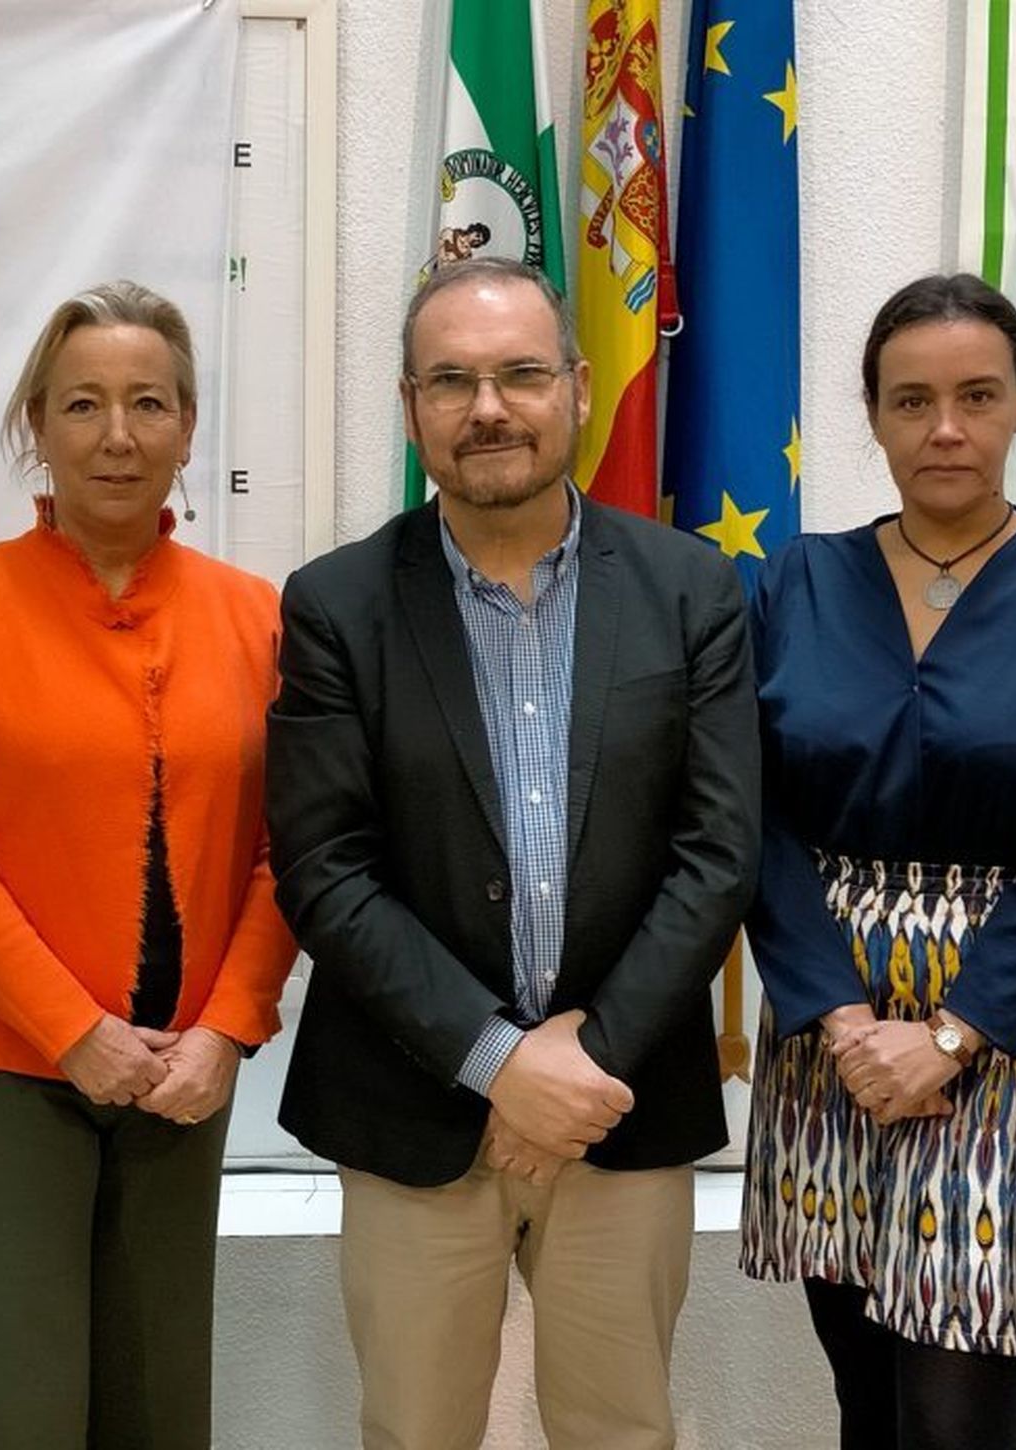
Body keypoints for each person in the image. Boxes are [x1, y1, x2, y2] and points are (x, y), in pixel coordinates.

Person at [266, 256, 760, 1450]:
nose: (488, 406)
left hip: (621, 1106)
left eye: (520, 374)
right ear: (411, 407)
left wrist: (576, 1063)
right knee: (414, 1432)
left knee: (622, 1432)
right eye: (452, 380)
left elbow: (719, 850)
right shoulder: (336, 605)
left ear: (580, 389)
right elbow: (327, 868)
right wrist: (499, 1064)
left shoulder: (692, 588)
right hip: (412, 1109)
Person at [739, 273, 1016, 1449]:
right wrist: (840, 1022)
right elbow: (755, 816)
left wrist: (949, 1035)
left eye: (977, 395)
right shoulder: (792, 580)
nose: (945, 427)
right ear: (870, 415)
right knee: (864, 1399)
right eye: (911, 398)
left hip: (1008, 1020)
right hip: (832, 1016)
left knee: (956, 1416)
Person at [0, 280, 297, 1450]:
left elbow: (289, 852)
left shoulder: (253, 616)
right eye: (83, 404)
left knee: (156, 1402)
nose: (118, 435)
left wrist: (225, 1028)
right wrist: (73, 1030)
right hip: (1, 1073)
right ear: (39, 425)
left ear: (186, 427)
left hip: (185, 1078)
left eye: (148, 403)